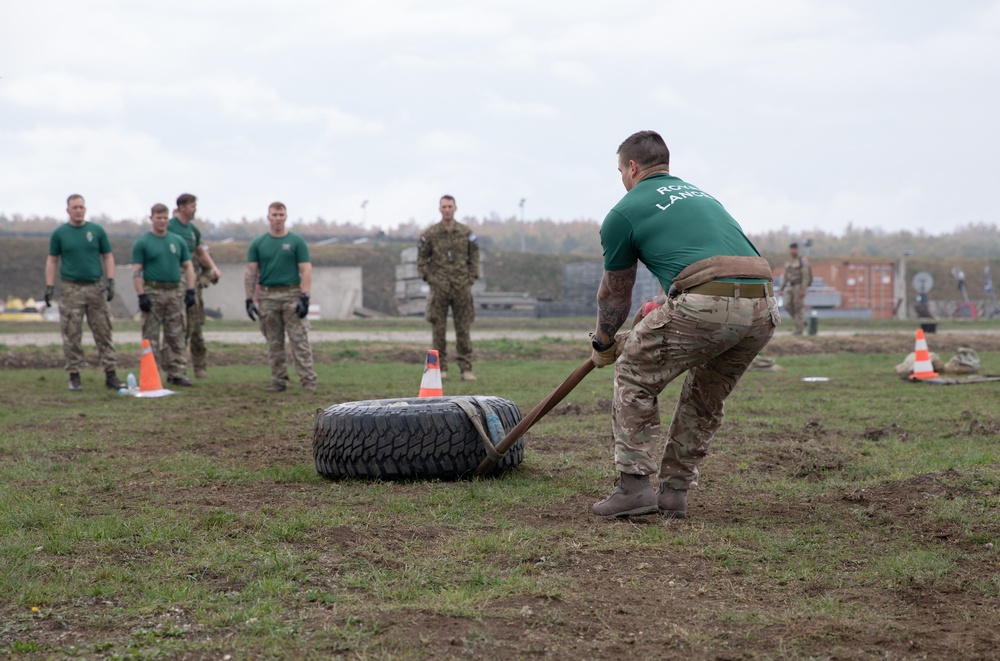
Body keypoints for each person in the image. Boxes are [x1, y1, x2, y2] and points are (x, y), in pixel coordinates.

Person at [589, 130, 779, 520]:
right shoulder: (703, 197)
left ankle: (634, 487)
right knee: (705, 395)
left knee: (635, 376)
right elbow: (705, 262)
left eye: (620, 171)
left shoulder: (623, 211)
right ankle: (674, 492)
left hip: (706, 302)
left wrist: (604, 342)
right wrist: (668, 300)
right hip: (763, 304)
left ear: (632, 167)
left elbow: (614, 293)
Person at [44, 194, 126, 391]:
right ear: (68, 210)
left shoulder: (96, 231)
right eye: (75, 207)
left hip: (95, 287)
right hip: (71, 288)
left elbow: (107, 256)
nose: (79, 211)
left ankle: (111, 374)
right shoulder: (60, 234)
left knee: (103, 330)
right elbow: (52, 260)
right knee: (71, 332)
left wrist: (111, 280)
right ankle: (74, 375)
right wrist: (49, 285)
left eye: (81, 207)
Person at [244, 202, 317, 393]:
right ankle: (278, 380)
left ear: (286, 217)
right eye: (274, 215)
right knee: (274, 341)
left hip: (292, 294)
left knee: (299, 339)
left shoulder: (296, 242)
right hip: (268, 296)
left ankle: (308, 379)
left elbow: (306, 269)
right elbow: (251, 272)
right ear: (268, 217)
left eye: (281, 215)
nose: (278, 218)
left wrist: (305, 296)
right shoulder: (258, 243)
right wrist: (249, 299)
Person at [131, 203, 197, 387]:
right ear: (151, 218)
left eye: (165, 218)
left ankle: (177, 372)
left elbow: (188, 266)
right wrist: (141, 295)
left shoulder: (177, 241)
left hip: (175, 292)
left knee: (176, 335)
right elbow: (136, 271)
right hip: (153, 292)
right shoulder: (143, 243)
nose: (162, 221)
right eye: (158, 218)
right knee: (151, 336)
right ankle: (153, 372)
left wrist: (190, 290)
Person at [416, 195, 480, 381]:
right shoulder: (431, 234)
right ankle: (440, 369)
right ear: (439, 209)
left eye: (450, 206)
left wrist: (470, 278)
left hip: (461, 287)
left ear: (455, 208)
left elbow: (474, 257)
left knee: (463, 329)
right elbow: (421, 259)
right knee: (438, 330)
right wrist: (430, 278)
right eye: (444, 206)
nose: (447, 210)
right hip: (439, 288)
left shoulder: (466, 233)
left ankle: (466, 369)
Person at [167, 193, 222, 378]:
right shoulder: (169, 228)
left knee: (196, 325)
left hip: (194, 285)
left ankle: (199, 367)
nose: (195, 209)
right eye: (192, 206)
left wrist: (213, 268)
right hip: (175, 284)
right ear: (182, 207)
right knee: (179, 327)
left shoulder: (193, 231)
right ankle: (175, 367)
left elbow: (200, 251)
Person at [779, 242, 813, 335]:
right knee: (787, 305)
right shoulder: (788, 261)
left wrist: (803, 289)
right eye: (791, 249)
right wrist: (781, 288)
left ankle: (799, 330)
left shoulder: (802, 260)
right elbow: (785, 276)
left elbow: (806, 276)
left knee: (798, 307)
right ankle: (802, 322)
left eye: (794, 249)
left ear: (797, 249)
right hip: (790, 286)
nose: (793, 250)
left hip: (799, 286)